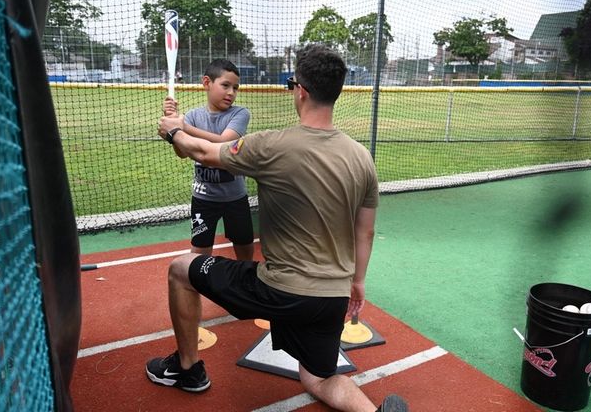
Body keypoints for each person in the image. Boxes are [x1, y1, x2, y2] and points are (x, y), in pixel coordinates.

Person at [150, 44, 409, 412]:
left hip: (280, 290)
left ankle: (188, 369)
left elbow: (206, 153)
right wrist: (357, 282)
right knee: (318, 377)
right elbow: (364, 231)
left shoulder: (272, 144)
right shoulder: (362, 157)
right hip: (333, 295)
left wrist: (174, 132)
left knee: (180, 270)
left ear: (300, 90)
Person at [161, 58, 254, 261]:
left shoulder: (240, 114)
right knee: (199, 254)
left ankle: (246, 287)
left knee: (245, 251)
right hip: (203, 199)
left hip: (235, 198)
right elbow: (182, 153)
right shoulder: (193, 116)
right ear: (206, 83)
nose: (231, 93)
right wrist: (174, 131)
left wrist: (181, 127)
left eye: (236, 88)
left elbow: (223, 144)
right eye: (225, 85)